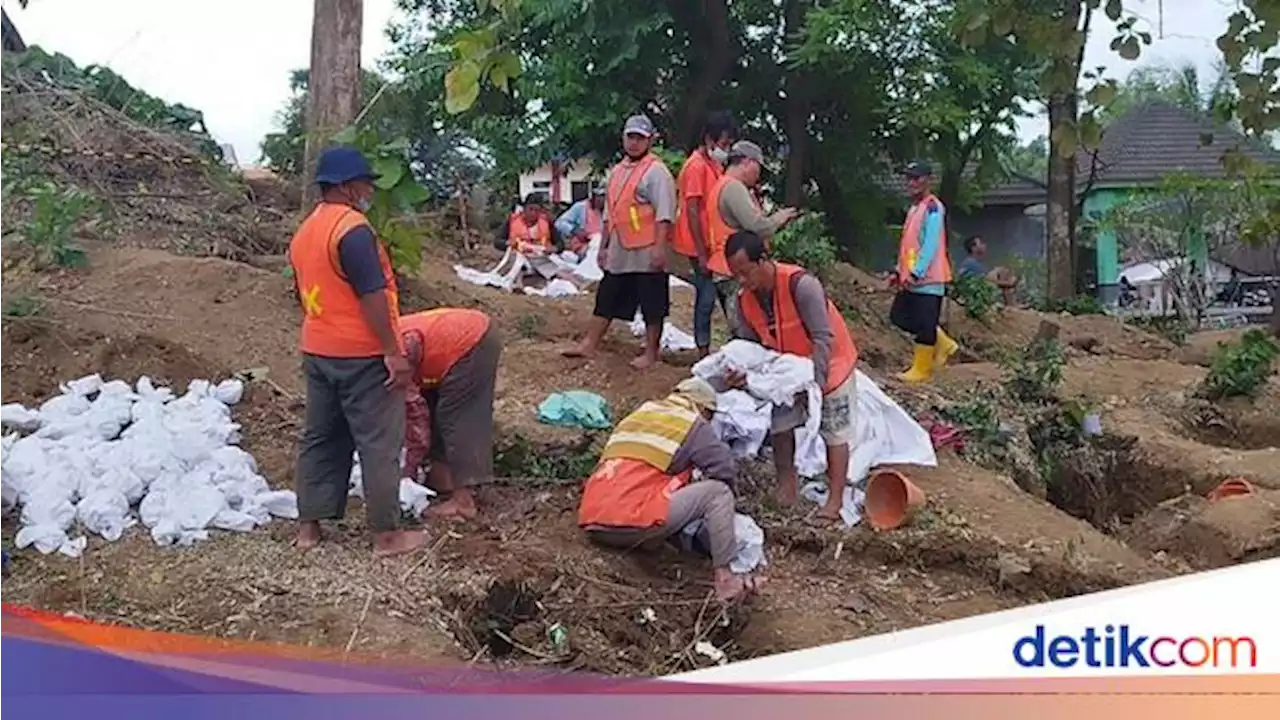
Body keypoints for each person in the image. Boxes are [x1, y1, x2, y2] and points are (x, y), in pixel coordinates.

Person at [288, 146, 427, 558]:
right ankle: (387, 537)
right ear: (347, 187)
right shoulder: (353, 229)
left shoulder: (306, 231)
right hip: (361, 354)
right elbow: (371, 296)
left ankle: (308, 529)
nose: (369, 189)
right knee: (379, 443)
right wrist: (393, 352)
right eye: (365, 182)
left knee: (320, 437)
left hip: (317, 348)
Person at [578, 377, 763, 601]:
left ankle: (654, 543)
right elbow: (723, 467)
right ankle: (725, 577)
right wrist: (726, 510)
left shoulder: (638, 415)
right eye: (710, 416)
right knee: (719, 492)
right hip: (630, 522)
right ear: (703, 408)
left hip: (593, 519)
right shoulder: (691, 423)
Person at [722, 231, 859, 525]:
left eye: (745, 273)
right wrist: (746, 377)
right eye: (736, 275)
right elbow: (751, 349)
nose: (742, 281)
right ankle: (787, 489)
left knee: (834, 431)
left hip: (829, 365)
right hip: (787, 371)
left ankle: (834, 502)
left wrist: (816, 386)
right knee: (781, 426)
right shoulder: (744, 300)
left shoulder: (802, 285)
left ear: (763, 260)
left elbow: (823, 338)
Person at [563, 115, 677, 370]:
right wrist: (603, 247)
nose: (634, 143)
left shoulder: (656, 172)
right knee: (608, 294)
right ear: (623, 138)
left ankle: (651, 353)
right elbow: (609, 214)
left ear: (649, 140)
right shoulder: (616, 171)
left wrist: (660, 247)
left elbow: (664, 213)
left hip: (647, 247)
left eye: (640, 138)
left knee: (652, 300)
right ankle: (589, 344)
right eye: (631, 137)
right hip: (620, 247)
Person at [398, 308, 502, 520]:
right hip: (455, 338)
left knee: (457, 418)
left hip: (469, 340)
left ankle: (463, 502)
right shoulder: (374, 346)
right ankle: (443, 477)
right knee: (434, 405)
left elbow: (414, 416)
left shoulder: (394, 352)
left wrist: (407, 471)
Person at [702, 142, 800, 326]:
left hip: (723, 267)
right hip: (739, 269)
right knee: (748, 327)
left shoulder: (719, 186)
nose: (759, 175)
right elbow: (757, 226)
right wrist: (778, 219)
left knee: (742, 327)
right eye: (758, 168)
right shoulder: (733, 188)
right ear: (748, 162)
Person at [674, 111, 738, 357]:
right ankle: (702, 350)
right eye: (724, 143)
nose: (726, 148)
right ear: (709, 139)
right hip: (698, 245)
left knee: (719, 295)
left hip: (713, 244)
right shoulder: (696, 167)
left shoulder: (713, 165)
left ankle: (724, 346)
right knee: (707, 297)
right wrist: (701, 252)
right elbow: (692, 210)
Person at [889, 160, 957, 384]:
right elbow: (908, 245)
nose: (911, 182)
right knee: (899, 317)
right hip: (911, 278)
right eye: (908, 178)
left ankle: (921, 369)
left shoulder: (933, 207)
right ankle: (944, 343)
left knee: (925, 324)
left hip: (928, 279)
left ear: (928, 180)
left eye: (916, 178)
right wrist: (899, 271)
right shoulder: (914, 209)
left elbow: (930, 244)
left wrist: (918, 271)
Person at [957, 235, 1019, 305]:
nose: (985, 245)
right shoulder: (971, 263)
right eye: (981, 243)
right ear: (973, 248)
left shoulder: (974, 262)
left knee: (1003, 271)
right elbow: (986, 280)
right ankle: (1011, 304)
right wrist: (1008, 283)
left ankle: (1012, 303)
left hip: (977, 289)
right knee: (1002, 271)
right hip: (973, 292)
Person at [554, 186, 606, 256]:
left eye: (603, 197)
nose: (600, 200)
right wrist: (575, 230)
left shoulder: (609, 210)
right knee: (590, 254)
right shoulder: (580, 207)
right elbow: (559, 223)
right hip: (582, 243)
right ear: (593, 197)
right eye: (598, 197)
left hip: (602, 244)